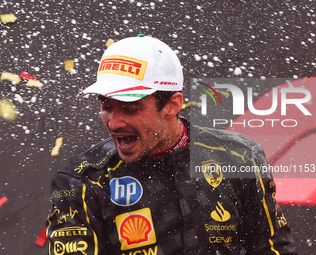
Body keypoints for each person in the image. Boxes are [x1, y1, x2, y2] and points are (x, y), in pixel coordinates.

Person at [46, 34, 297, 255]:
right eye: (106, 107)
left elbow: (274, 249)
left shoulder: (240, 157)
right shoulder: (80, 181)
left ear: (172, 105)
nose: (114, 123)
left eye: (130, 109)